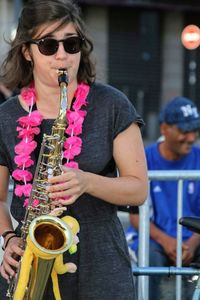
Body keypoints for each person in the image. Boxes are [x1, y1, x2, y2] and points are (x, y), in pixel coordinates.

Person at [0, 1, 148, 299]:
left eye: (71, 44)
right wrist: (9, 237)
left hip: (101, 265)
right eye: (48, 45)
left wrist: (87, 181)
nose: (62, 56)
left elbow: (138, 189)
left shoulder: (112, 104)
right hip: (31, 265)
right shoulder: (6, 116)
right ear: (27, 52)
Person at [126, 96, 200, 300]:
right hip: (154, 238)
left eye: (195, 130)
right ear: (165, 128)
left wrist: (192, 243)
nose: (191, 137)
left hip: (194, 238)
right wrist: (167, 242)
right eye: (185, 131)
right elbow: (134, 217)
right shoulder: (143, 159)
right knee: (149, 258)